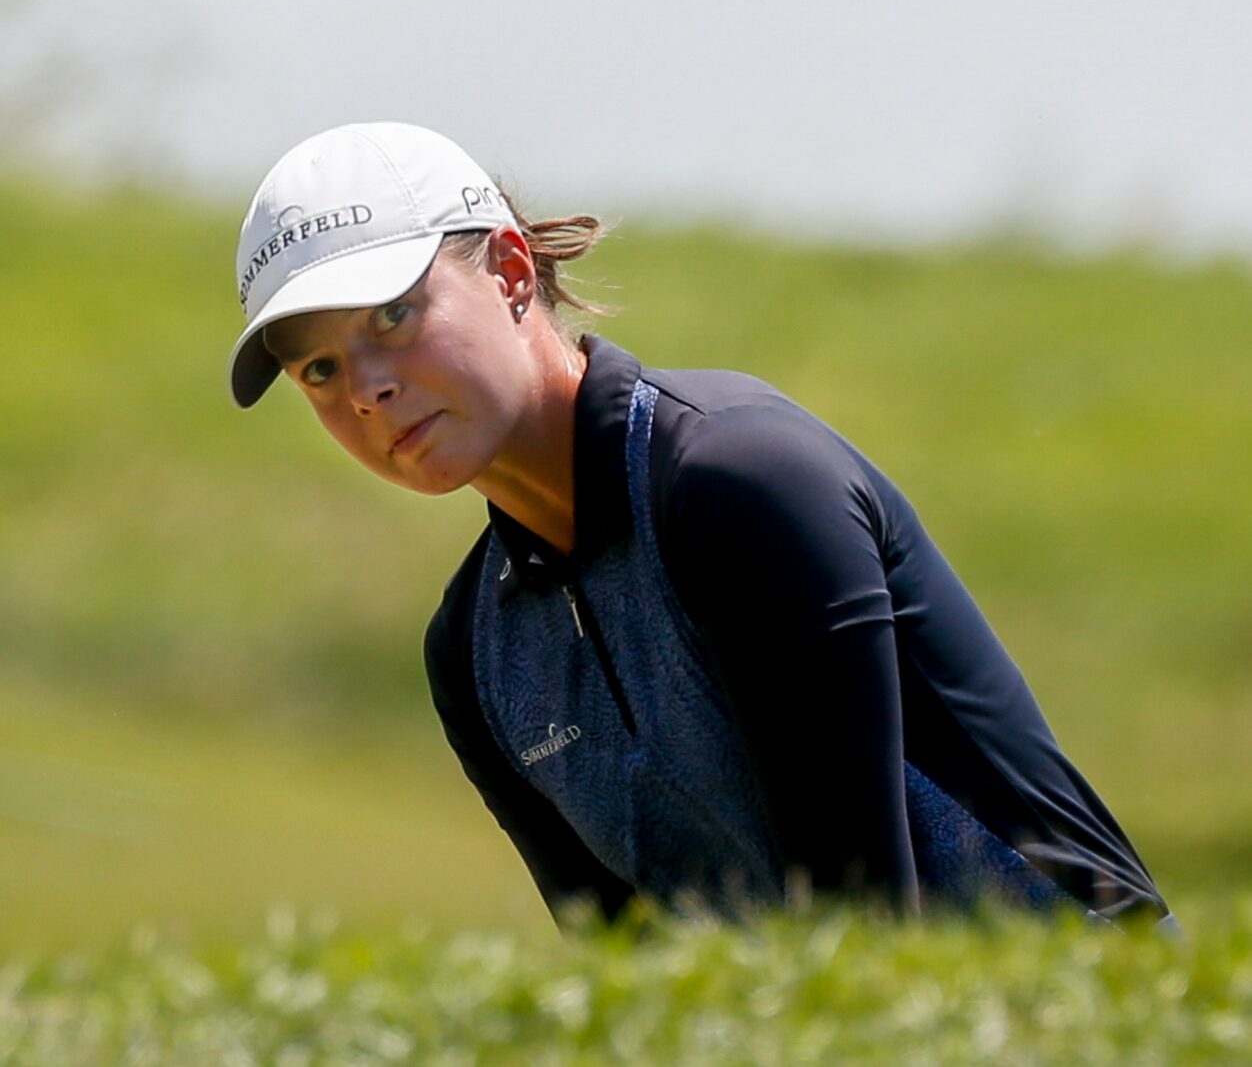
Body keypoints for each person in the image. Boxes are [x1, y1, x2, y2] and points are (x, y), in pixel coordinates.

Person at [229, 120, 1172, 929]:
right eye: (317, 369)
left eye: (395, 315)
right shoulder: (473, 654)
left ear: (514, 271)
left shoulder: (736, 481)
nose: (366, 389)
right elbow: (639, 1000)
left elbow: (869, 929)